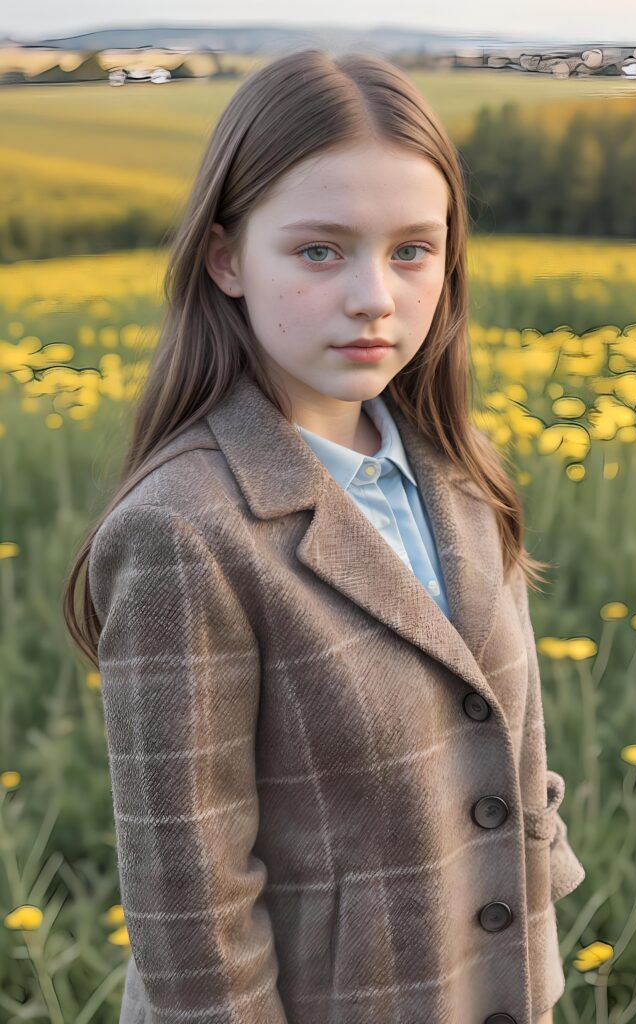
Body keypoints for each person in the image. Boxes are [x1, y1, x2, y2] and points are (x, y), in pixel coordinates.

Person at [64, 48, 585, 1024]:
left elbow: (507, 738)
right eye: (318, 251)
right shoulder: (185, 531)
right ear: (225, 258)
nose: (373, 298)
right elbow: (194, 922)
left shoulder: (457, 470)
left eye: (411, 250)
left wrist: (535, 907)